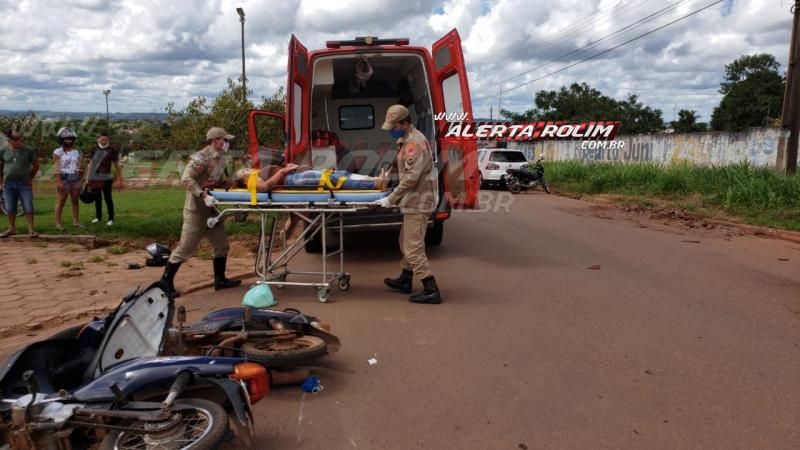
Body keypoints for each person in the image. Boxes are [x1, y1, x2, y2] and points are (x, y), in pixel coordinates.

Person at [161, 127, 241, 298]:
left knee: (221, 246)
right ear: (215, 140)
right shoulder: (201, 157)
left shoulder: (220, 158)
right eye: (224, 140)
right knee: (185, 248)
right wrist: (203, 195)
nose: (227, 143)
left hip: (213, 210)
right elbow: (186, 179)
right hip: (197, 210)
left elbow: (217, 181)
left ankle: (220, 280)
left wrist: (230, 184)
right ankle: (165, 283)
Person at [375, 104, 442, 304]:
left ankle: (431, 288)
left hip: (418, 201)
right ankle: (405, 279)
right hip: (414, 199)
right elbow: (407, 172)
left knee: (413, 247)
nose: (391, 130)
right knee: (406, 240)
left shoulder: (414, 142)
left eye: (394, 126)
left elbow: (412, 178)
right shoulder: (405, 140)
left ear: (405, 123)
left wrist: (391, 198)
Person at [0, 129, 39, 238]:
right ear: (9, 140)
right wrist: (1, 181)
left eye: (20, 138)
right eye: (16, 139)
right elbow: (1, 166)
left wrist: (30, 178)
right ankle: (11, 228)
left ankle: (31, 230)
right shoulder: (3, 151)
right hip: (8, 183)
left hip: (24, 183)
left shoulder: (28, 150)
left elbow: (36, 165)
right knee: (10, 207)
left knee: (28, 205)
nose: (19, 141)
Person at [231, 164, 389, 191]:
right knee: (335, 181)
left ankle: (374, 180)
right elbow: (265, 187)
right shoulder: (252, 180)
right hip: (293, 180)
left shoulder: (255, 174)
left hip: (295, 175)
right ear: (243, 179)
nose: (247, 169)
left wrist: (291, 167)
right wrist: (283, 171)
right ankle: (375, 185)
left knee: (339, 175)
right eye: (243, 171)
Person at [86, 132, 122, 226]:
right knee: (97, 198)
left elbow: (116, 165)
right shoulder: (94, 149)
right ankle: (98, 217)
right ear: (98, 139)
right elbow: (90, 164)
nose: (104, 141)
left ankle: (111, 219)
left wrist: (119, 179)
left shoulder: (111, 150)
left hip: (107, 178)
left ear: (108, 140)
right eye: (102, 139)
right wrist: (88, 177)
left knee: (108, 198)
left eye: (106, 140)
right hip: (95, 177)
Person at [53, 127, 82, 230]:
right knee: (61, 201)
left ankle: (76, 222)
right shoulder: (57, 152)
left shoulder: (76, 152)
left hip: (75, 179)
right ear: (61, 139)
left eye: (70, 138)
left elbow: (78, 166)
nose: (68, 140)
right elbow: (56, 167)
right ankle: (58, 223)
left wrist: (79, 180)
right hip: (64, 178)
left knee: (75, 201)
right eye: (66, 138)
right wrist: (58, 180)